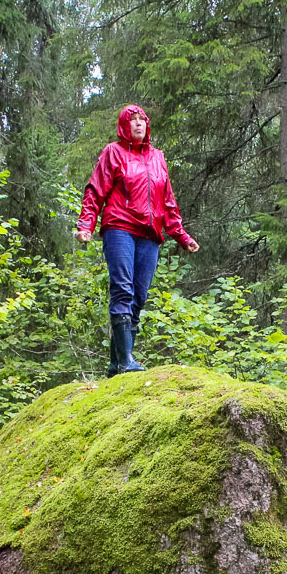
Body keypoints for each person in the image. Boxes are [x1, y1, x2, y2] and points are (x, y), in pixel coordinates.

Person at [76, 104, 199, 376]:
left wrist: (182, 236)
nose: (139, 123)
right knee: (123, 289)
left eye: (142, 119)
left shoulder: (157, 157)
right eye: (133, 120)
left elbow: (168, 202)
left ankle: (116, 365)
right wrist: (86, 224)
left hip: (149, 234)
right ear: (124, 125)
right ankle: (126, 361)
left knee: (139, 296)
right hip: (119, 227)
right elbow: (95, 191)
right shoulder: (113, 152)